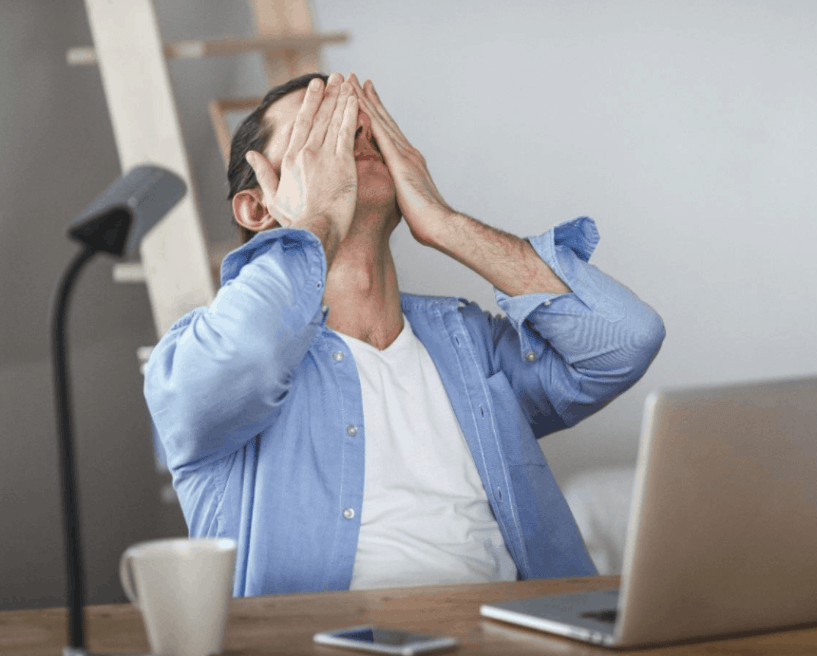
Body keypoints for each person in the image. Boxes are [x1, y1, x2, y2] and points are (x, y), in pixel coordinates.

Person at [144, 72, 665, 597]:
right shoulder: (196, 356)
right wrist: (316, 220)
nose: (355, 137)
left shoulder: (470, 343)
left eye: (368, 130)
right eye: (321, 130)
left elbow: (626, 339)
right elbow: (247, 357)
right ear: (257, 208)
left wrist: (442, 221)